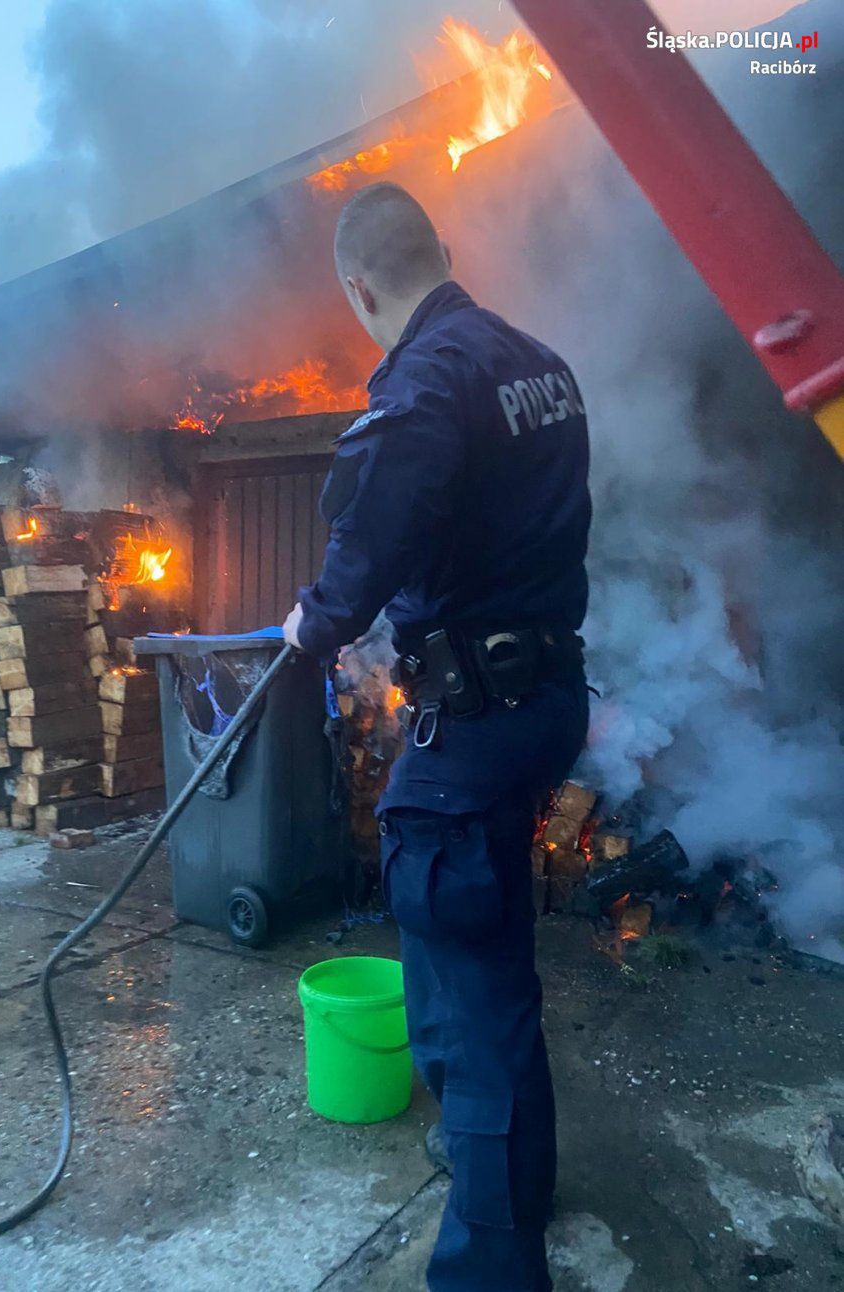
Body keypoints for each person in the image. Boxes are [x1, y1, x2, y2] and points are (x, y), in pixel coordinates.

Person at [283, 181, 590, 1292]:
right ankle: (516, 1173)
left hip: (475, 719)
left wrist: (310, 622)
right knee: (491, 956)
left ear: (358, 285)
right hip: (547, 699)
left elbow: (356, 575)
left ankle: (488, 1264)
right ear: (443, 251)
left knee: (467, 989)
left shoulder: (421, 387)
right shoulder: (541, 364)